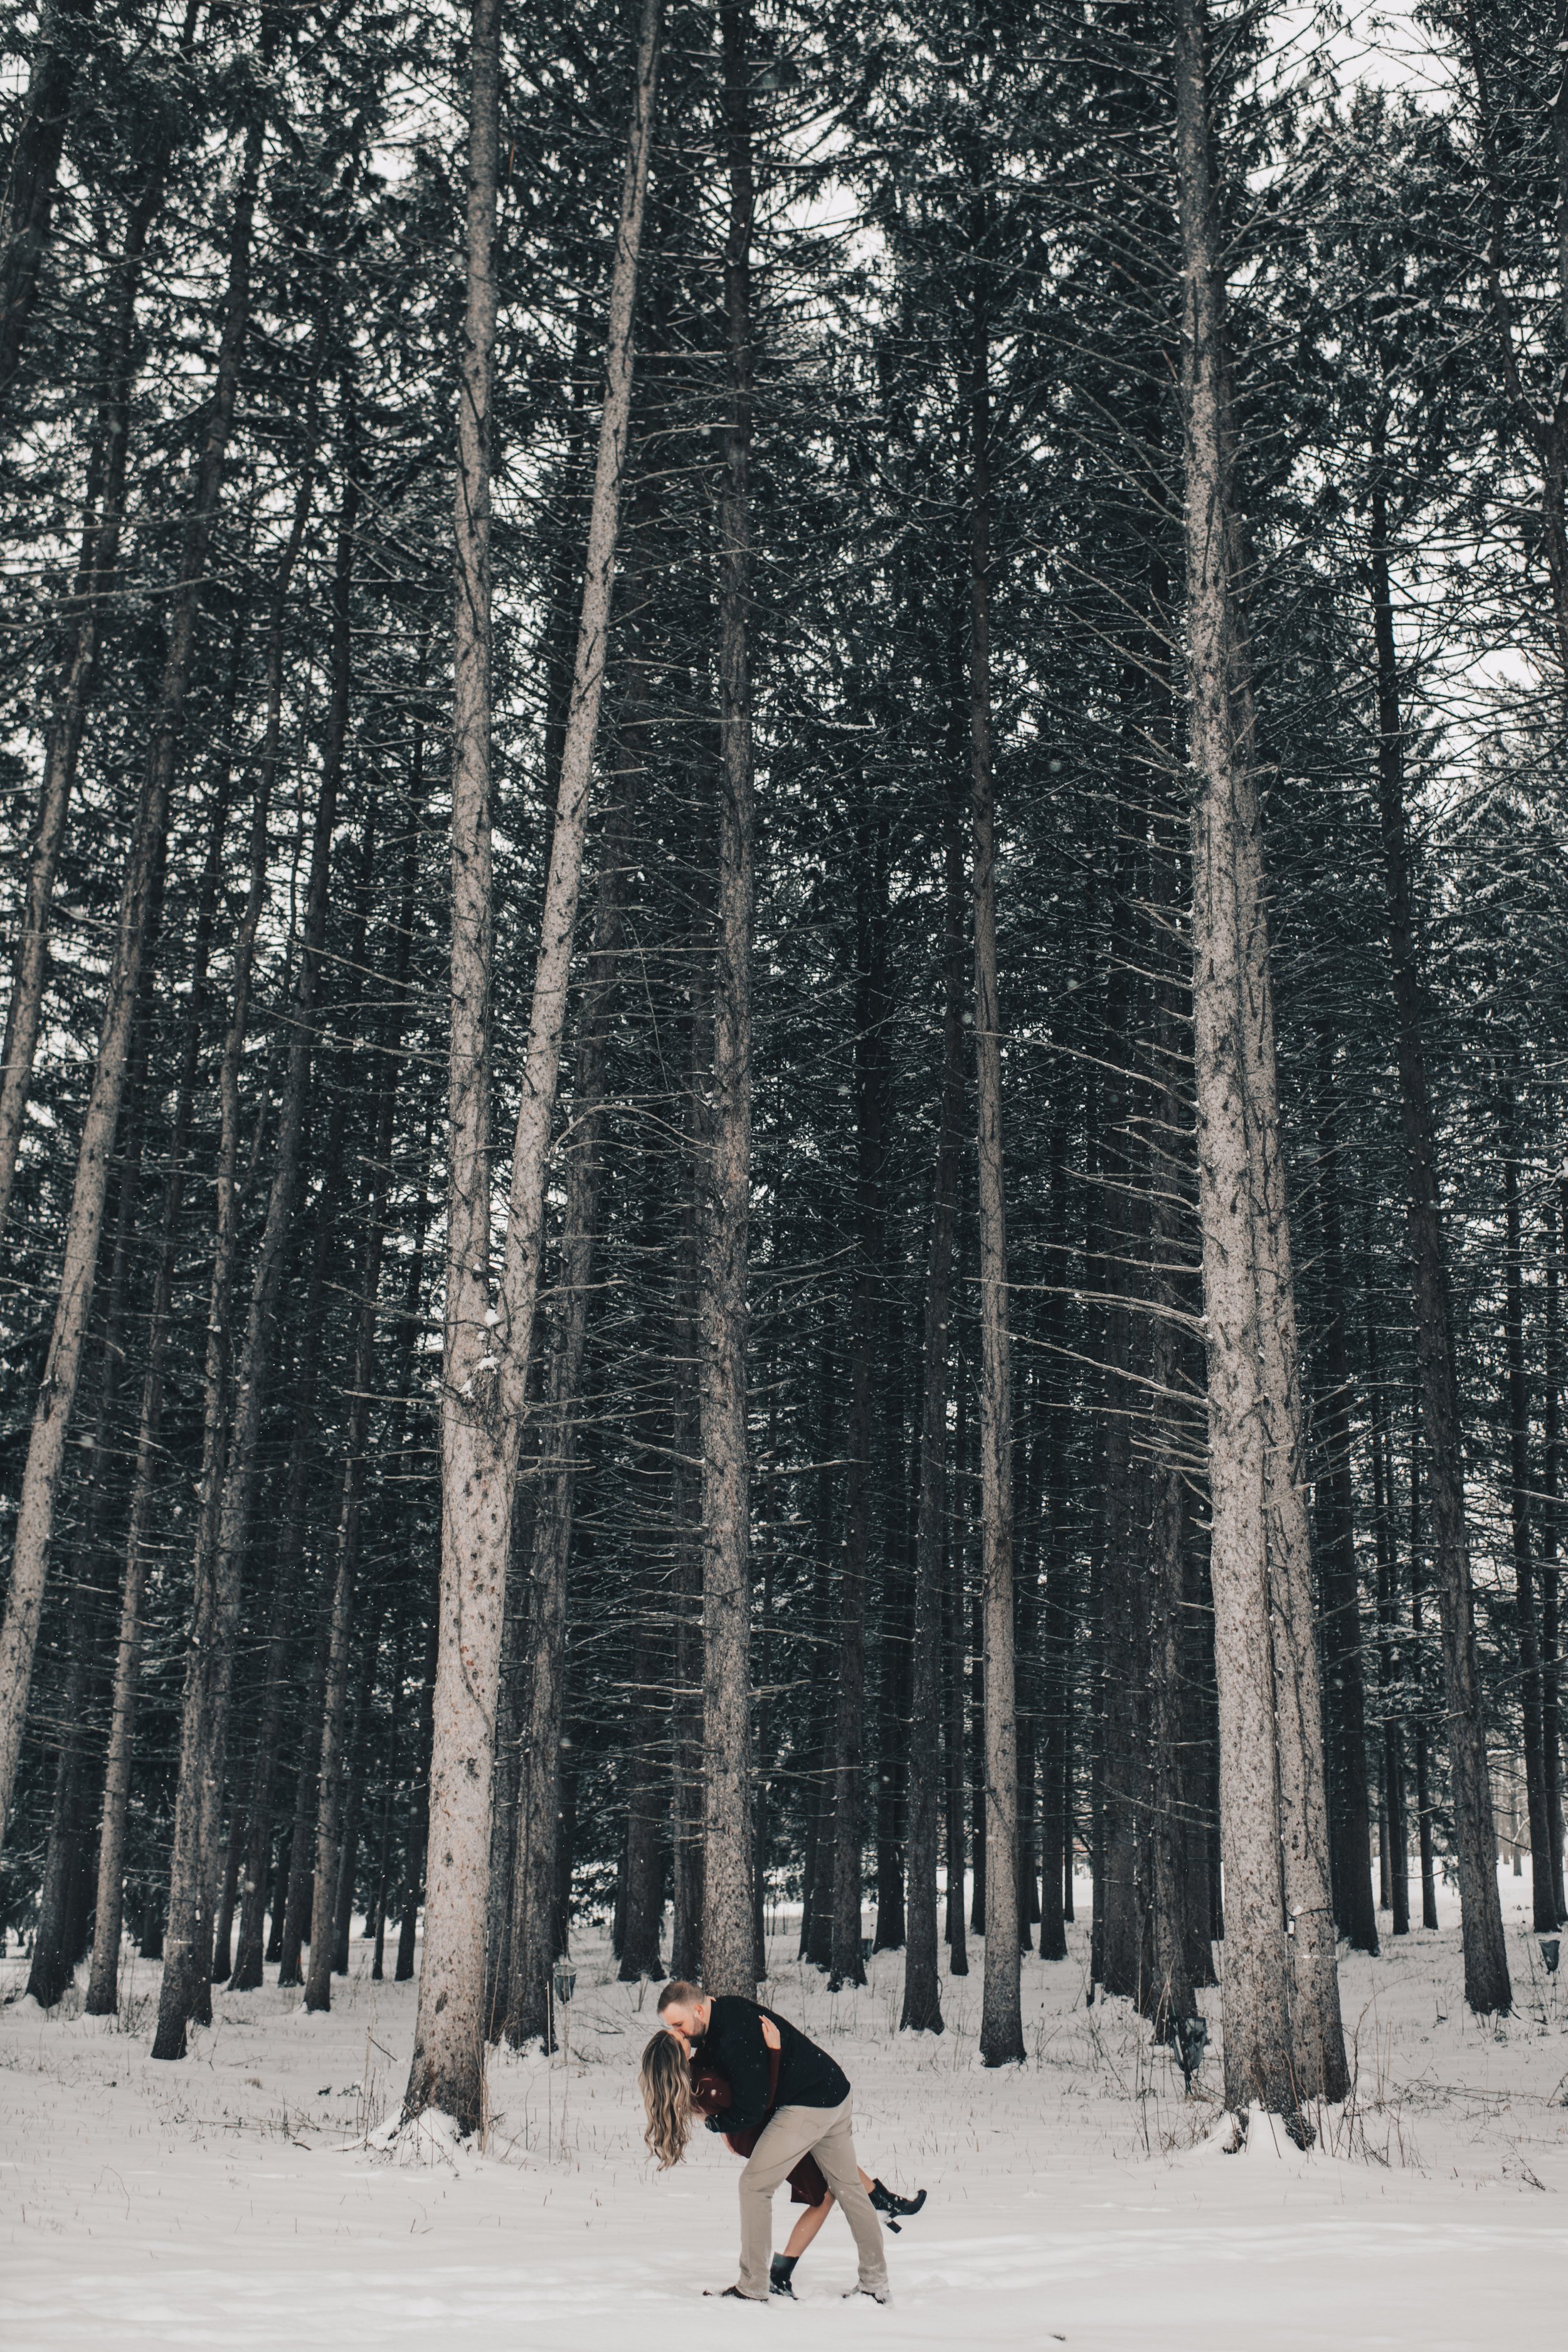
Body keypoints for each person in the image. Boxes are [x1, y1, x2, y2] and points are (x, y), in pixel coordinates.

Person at [647, 1977, 909, 2305]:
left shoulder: (735, 2037)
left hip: (810, 2104)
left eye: (679, 2024)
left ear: (698, 2009)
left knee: (754, 2186)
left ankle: (753, 2286)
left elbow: (751, 2109)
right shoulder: (722, 2012)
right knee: (849, 2188)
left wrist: (716, 2124)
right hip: (834, 2088)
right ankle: (875, 2284)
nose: (678, 2033)